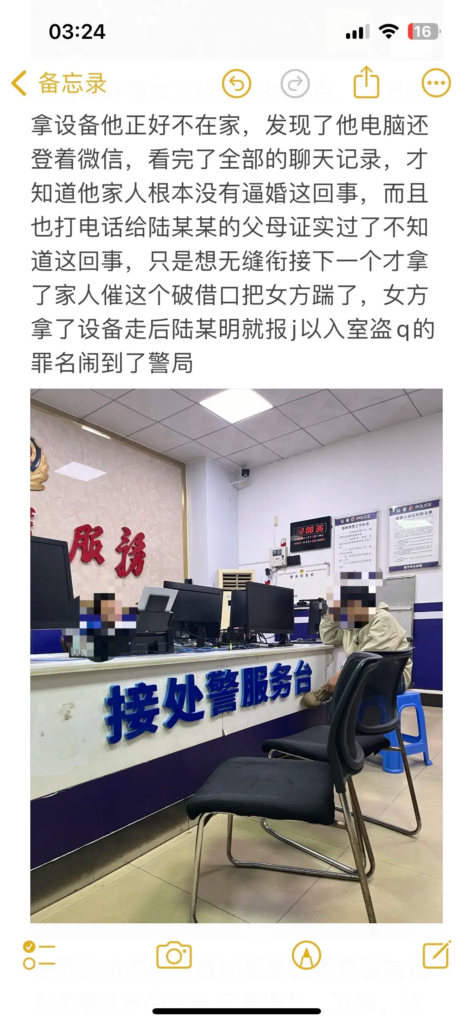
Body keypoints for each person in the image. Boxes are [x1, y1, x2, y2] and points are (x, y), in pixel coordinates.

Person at [301, 572, 412, 708]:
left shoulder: (382, 619)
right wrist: (329, 615)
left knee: (364, 671)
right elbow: (328, 637)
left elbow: (370, 657)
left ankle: (333, 690)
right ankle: (339, 694)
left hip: (394, 678)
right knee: (354, 681)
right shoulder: (352, 623)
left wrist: (340, 675)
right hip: (363, 674)